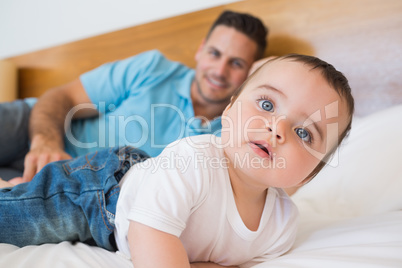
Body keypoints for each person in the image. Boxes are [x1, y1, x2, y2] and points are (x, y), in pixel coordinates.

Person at [0, 54, 355, 267]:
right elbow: (149, 232)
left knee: (28, 195)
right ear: (229, 110)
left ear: (310, 174)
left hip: (130, 202)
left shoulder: (280, 226)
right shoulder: (195, 160)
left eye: (305, 133)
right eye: (266, 104)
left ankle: (21, 186)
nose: (277, 127)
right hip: (103, 192)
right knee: (18, 218)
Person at [0, 10, 268, 183]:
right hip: (35, 127)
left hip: (62, 184)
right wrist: (44, 141)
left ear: (250, 72)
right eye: (214, 53)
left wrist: (264, 79)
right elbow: (62, 97)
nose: (219, 71)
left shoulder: (232, 135)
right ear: (200, 50)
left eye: (236, 64)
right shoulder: (152, 67)